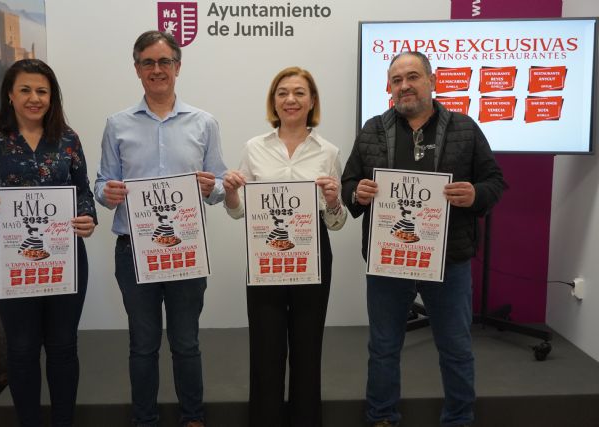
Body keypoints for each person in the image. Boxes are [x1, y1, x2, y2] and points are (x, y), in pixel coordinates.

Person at [341, 51, 505, 427]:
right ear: (389, 88)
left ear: (432, 81)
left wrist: (476, 194)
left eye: (412, 77)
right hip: (388, 259)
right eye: (397, 80)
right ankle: (382, 417)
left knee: (455, 346)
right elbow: (349, 183)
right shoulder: (372, 129)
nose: (405, 86)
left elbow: (495, 181)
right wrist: (357, 192)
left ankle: (459, 418)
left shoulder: (464, 128)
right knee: (383, 346)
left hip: (449, 259)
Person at [94, 31, 227, 427]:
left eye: (164, 62)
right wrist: (107, 193)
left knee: (186, 343)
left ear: (177, 67)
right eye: (148, 62)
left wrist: (212, 188)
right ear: (137, 69)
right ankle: (145, 420)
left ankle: (193, 418)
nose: (157, 69)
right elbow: (101, 184)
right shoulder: (117, 124)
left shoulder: (204, 123)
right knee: (142, 344)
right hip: (134, 250)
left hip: (186, 249)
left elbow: (220, 186)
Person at [0, 58, 97, 427]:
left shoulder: (68, 139)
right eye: (25, 90)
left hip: (65, 261)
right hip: (12, 263)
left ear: (52, 97)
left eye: (42, 91)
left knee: (63, 347)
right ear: (10, 94)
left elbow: (83, 192)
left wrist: (88, 218)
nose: (34, 98)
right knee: (21, 350)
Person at [223, 66, 347, 427]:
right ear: (273, 101)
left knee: (308, 347)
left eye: (299, 92)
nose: (290, 99)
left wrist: (334, 201)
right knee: (266, 347)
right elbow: (239, 212)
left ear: (312, 101)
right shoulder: (254, 148)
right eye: (282, 93)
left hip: (313, 252)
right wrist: (231, 194)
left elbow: (336, 221)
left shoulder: (328, 151)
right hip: (265, 253)